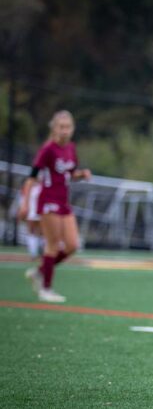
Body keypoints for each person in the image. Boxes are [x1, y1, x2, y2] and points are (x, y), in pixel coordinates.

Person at [24, 110, 91, 302]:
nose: (64, 131)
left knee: (72, 245)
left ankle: (39, 272)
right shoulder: (48, 150)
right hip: (48, 202)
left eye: (68, 127)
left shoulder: (70, 148)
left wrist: (82, 174)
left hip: (63, 202)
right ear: (54, 128)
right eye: (61, 127)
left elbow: (69, 174)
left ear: (73, 129)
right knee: (52, 245)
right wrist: (26, 205)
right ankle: (46, 289)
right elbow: (31, 178)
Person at [17, 180, 44, 260]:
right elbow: (23, 197)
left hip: (41, 211)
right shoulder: (28, 185)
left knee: (41, 232)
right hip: (31, 210)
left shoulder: (42, 185)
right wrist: (22, 209)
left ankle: (41, 252)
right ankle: (33, 253)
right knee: (31, 231)